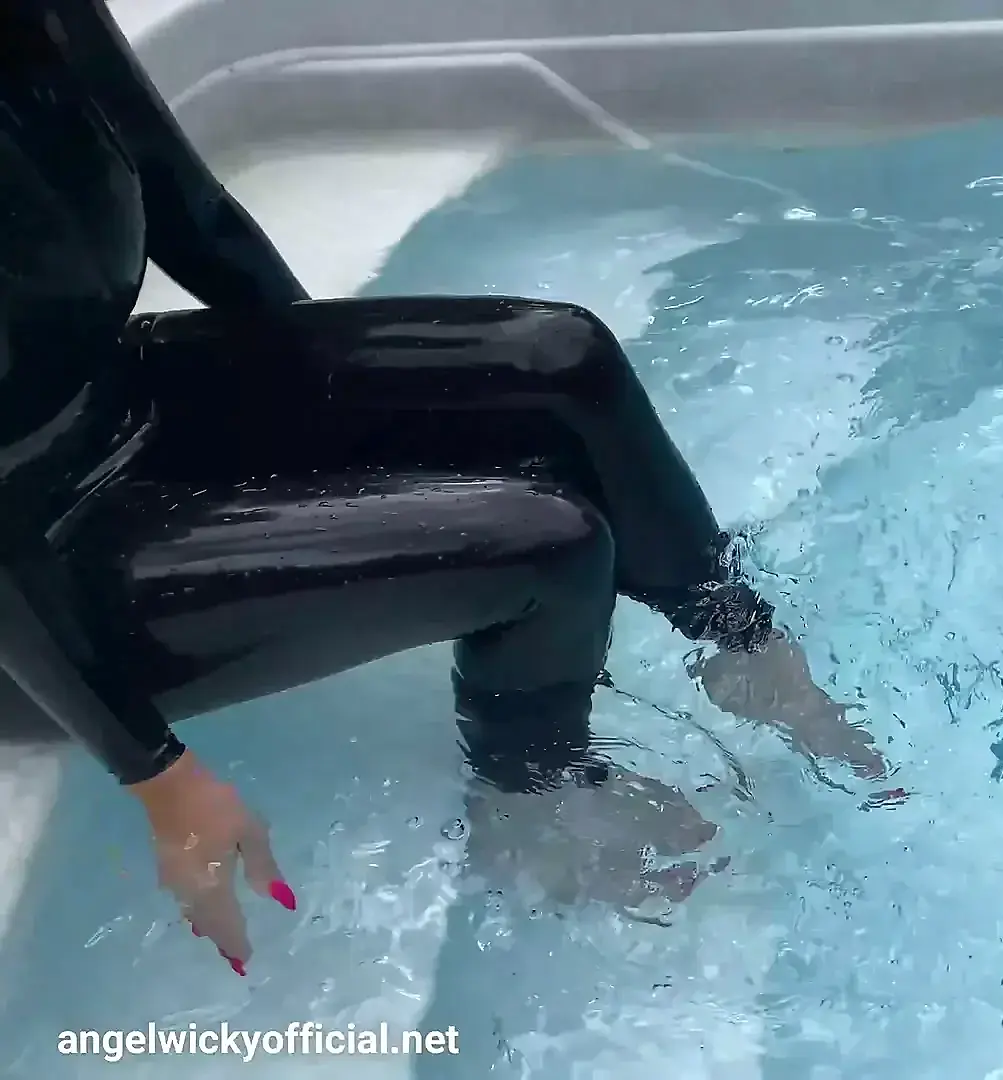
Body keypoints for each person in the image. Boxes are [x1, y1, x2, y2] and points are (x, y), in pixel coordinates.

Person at [0, 0, 890, 979]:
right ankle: (530, 794)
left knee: (565, 360)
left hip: (119, 401)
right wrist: (159, 777)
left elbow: (185, 204)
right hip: (34, 579)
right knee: (545, 547)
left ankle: (739, 640)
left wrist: (338, 401)